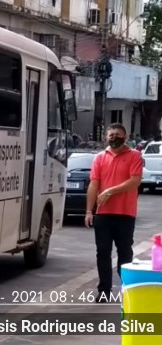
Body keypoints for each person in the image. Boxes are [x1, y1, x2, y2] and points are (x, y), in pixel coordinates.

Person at [85, 123, 143, 303]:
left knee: (125, 253)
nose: (113, 138)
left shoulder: (134, 156)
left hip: (125, 214)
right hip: (103, 215)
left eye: (117, 135)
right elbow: (94, 184)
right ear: (105, 137)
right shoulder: (100, 158)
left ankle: (127, 289)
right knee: (102, 252)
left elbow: (135, 181)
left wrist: (110, 191)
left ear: (125, 137)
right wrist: (89, 210)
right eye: (110, 135)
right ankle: (104, 291)